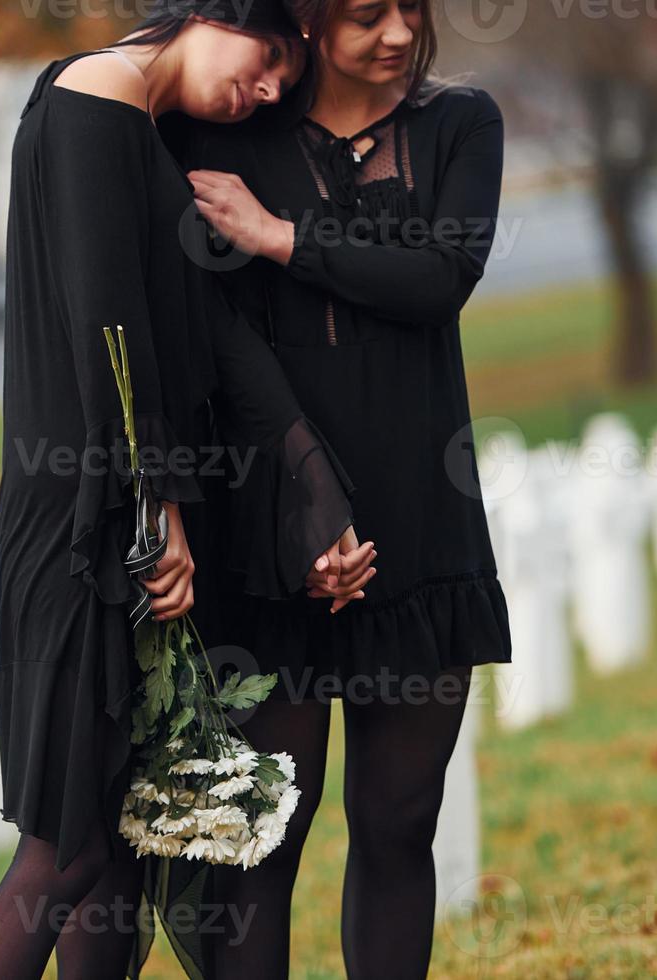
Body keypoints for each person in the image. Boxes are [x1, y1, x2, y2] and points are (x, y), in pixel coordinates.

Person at [0, 3, 377, 976]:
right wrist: (161, 511)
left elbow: (198, 331)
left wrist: (307, 479)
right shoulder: (93, 103)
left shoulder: (126, 123)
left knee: (106, 851)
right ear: (213, 11)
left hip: (102, 512)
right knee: (63, 854)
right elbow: (110, 335)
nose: (269, 88)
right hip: (85, 528)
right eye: (268, 57)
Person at [177, 0, 512, 974]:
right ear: (313, 18)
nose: (400, 32)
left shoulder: (461, 124)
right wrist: (300, 516)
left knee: (400, 822)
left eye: (413, 7)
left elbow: (440, 277)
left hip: (418, 527)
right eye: (369, 13)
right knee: (260, 843)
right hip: (268, 528)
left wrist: (281, 236)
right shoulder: (227, 132)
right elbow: (216, 329)